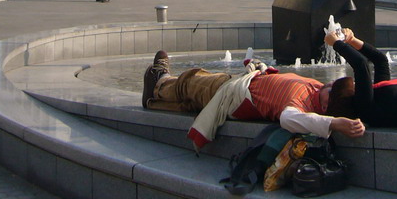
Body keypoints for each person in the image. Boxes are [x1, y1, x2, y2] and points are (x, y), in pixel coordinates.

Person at [142, 51, 364, 150]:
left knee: (193, 82)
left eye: (332, 90)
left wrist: (334, 123)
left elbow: (289, 119)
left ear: (325, 107)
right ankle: (154, 99)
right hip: (243, 83)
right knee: (191, 102)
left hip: (234, 93)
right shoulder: (317, 91)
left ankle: (160, 82)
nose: (329, 84)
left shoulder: (303, 105)